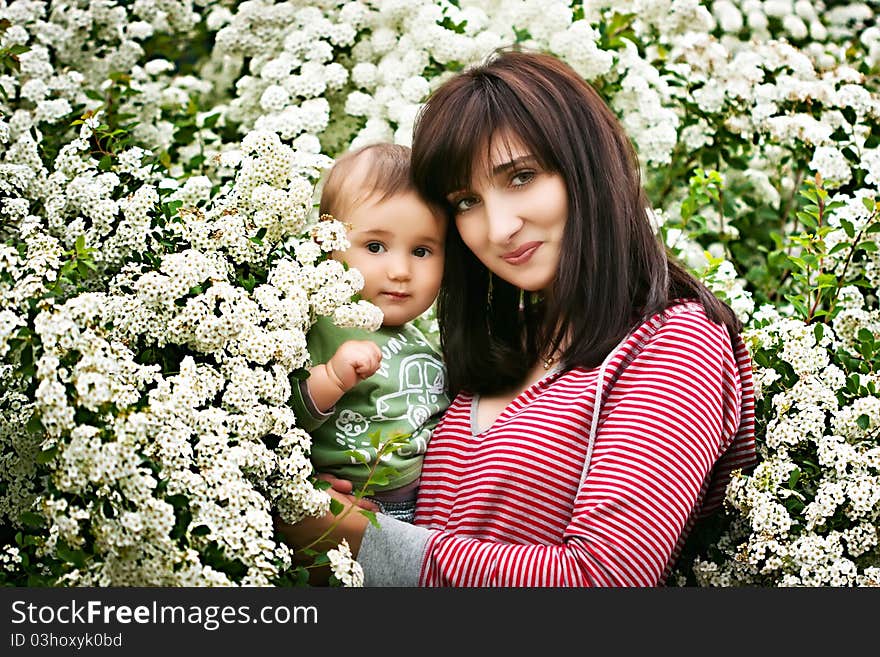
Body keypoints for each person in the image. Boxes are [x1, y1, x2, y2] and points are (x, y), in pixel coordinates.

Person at [277, 49, 756, 586]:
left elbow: (605, 578)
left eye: (522, 176)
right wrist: (328, 487)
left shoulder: (674, 342)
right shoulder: (507, 341)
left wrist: (362, 540)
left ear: (587, 166)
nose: (499, 226)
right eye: (466, 201)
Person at [290, 143, 450, 523]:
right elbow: (284, 411)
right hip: (362, 503)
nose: (400, 270)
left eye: (422, 251)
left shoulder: (420, 337)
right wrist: (331, 377)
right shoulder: (324, 325)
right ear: (327, 245)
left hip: (430, 506)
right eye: (375, 246)